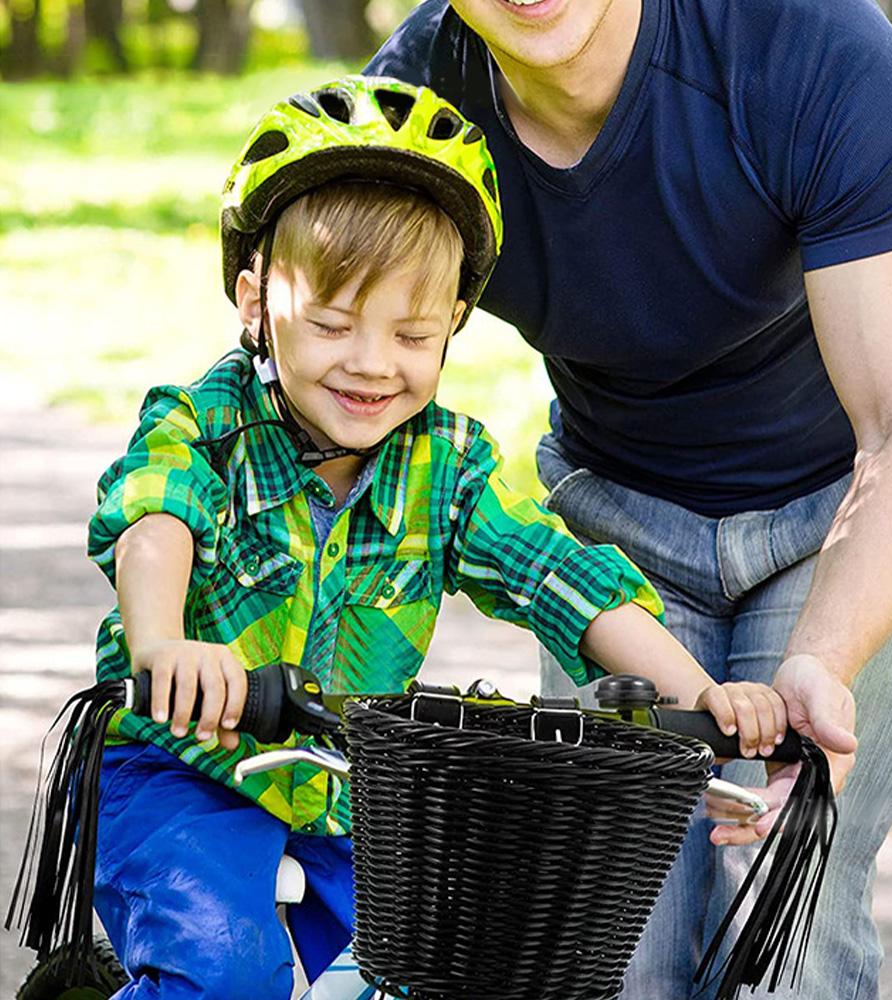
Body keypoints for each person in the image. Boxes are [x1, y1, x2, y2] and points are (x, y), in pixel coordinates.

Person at [84, 75, 794, 998]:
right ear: (257, 303)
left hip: (353, 798)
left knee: (438, 969)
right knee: (223, 970)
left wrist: (706, 703)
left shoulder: (448, 464)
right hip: (177, 771)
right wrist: (164, 643)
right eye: (334, 325)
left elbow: (562, 580)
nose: (373, 365)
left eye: (413, 335)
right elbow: (153, 517)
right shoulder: (200, 424)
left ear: (455, 322)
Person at [365, 2, 892, 998]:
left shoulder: (809, 48)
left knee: (781, 927)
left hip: (844, 507)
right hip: (617, 529)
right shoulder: (407, 119)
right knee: (606, 956)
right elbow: (330, 385)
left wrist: (822, 660)